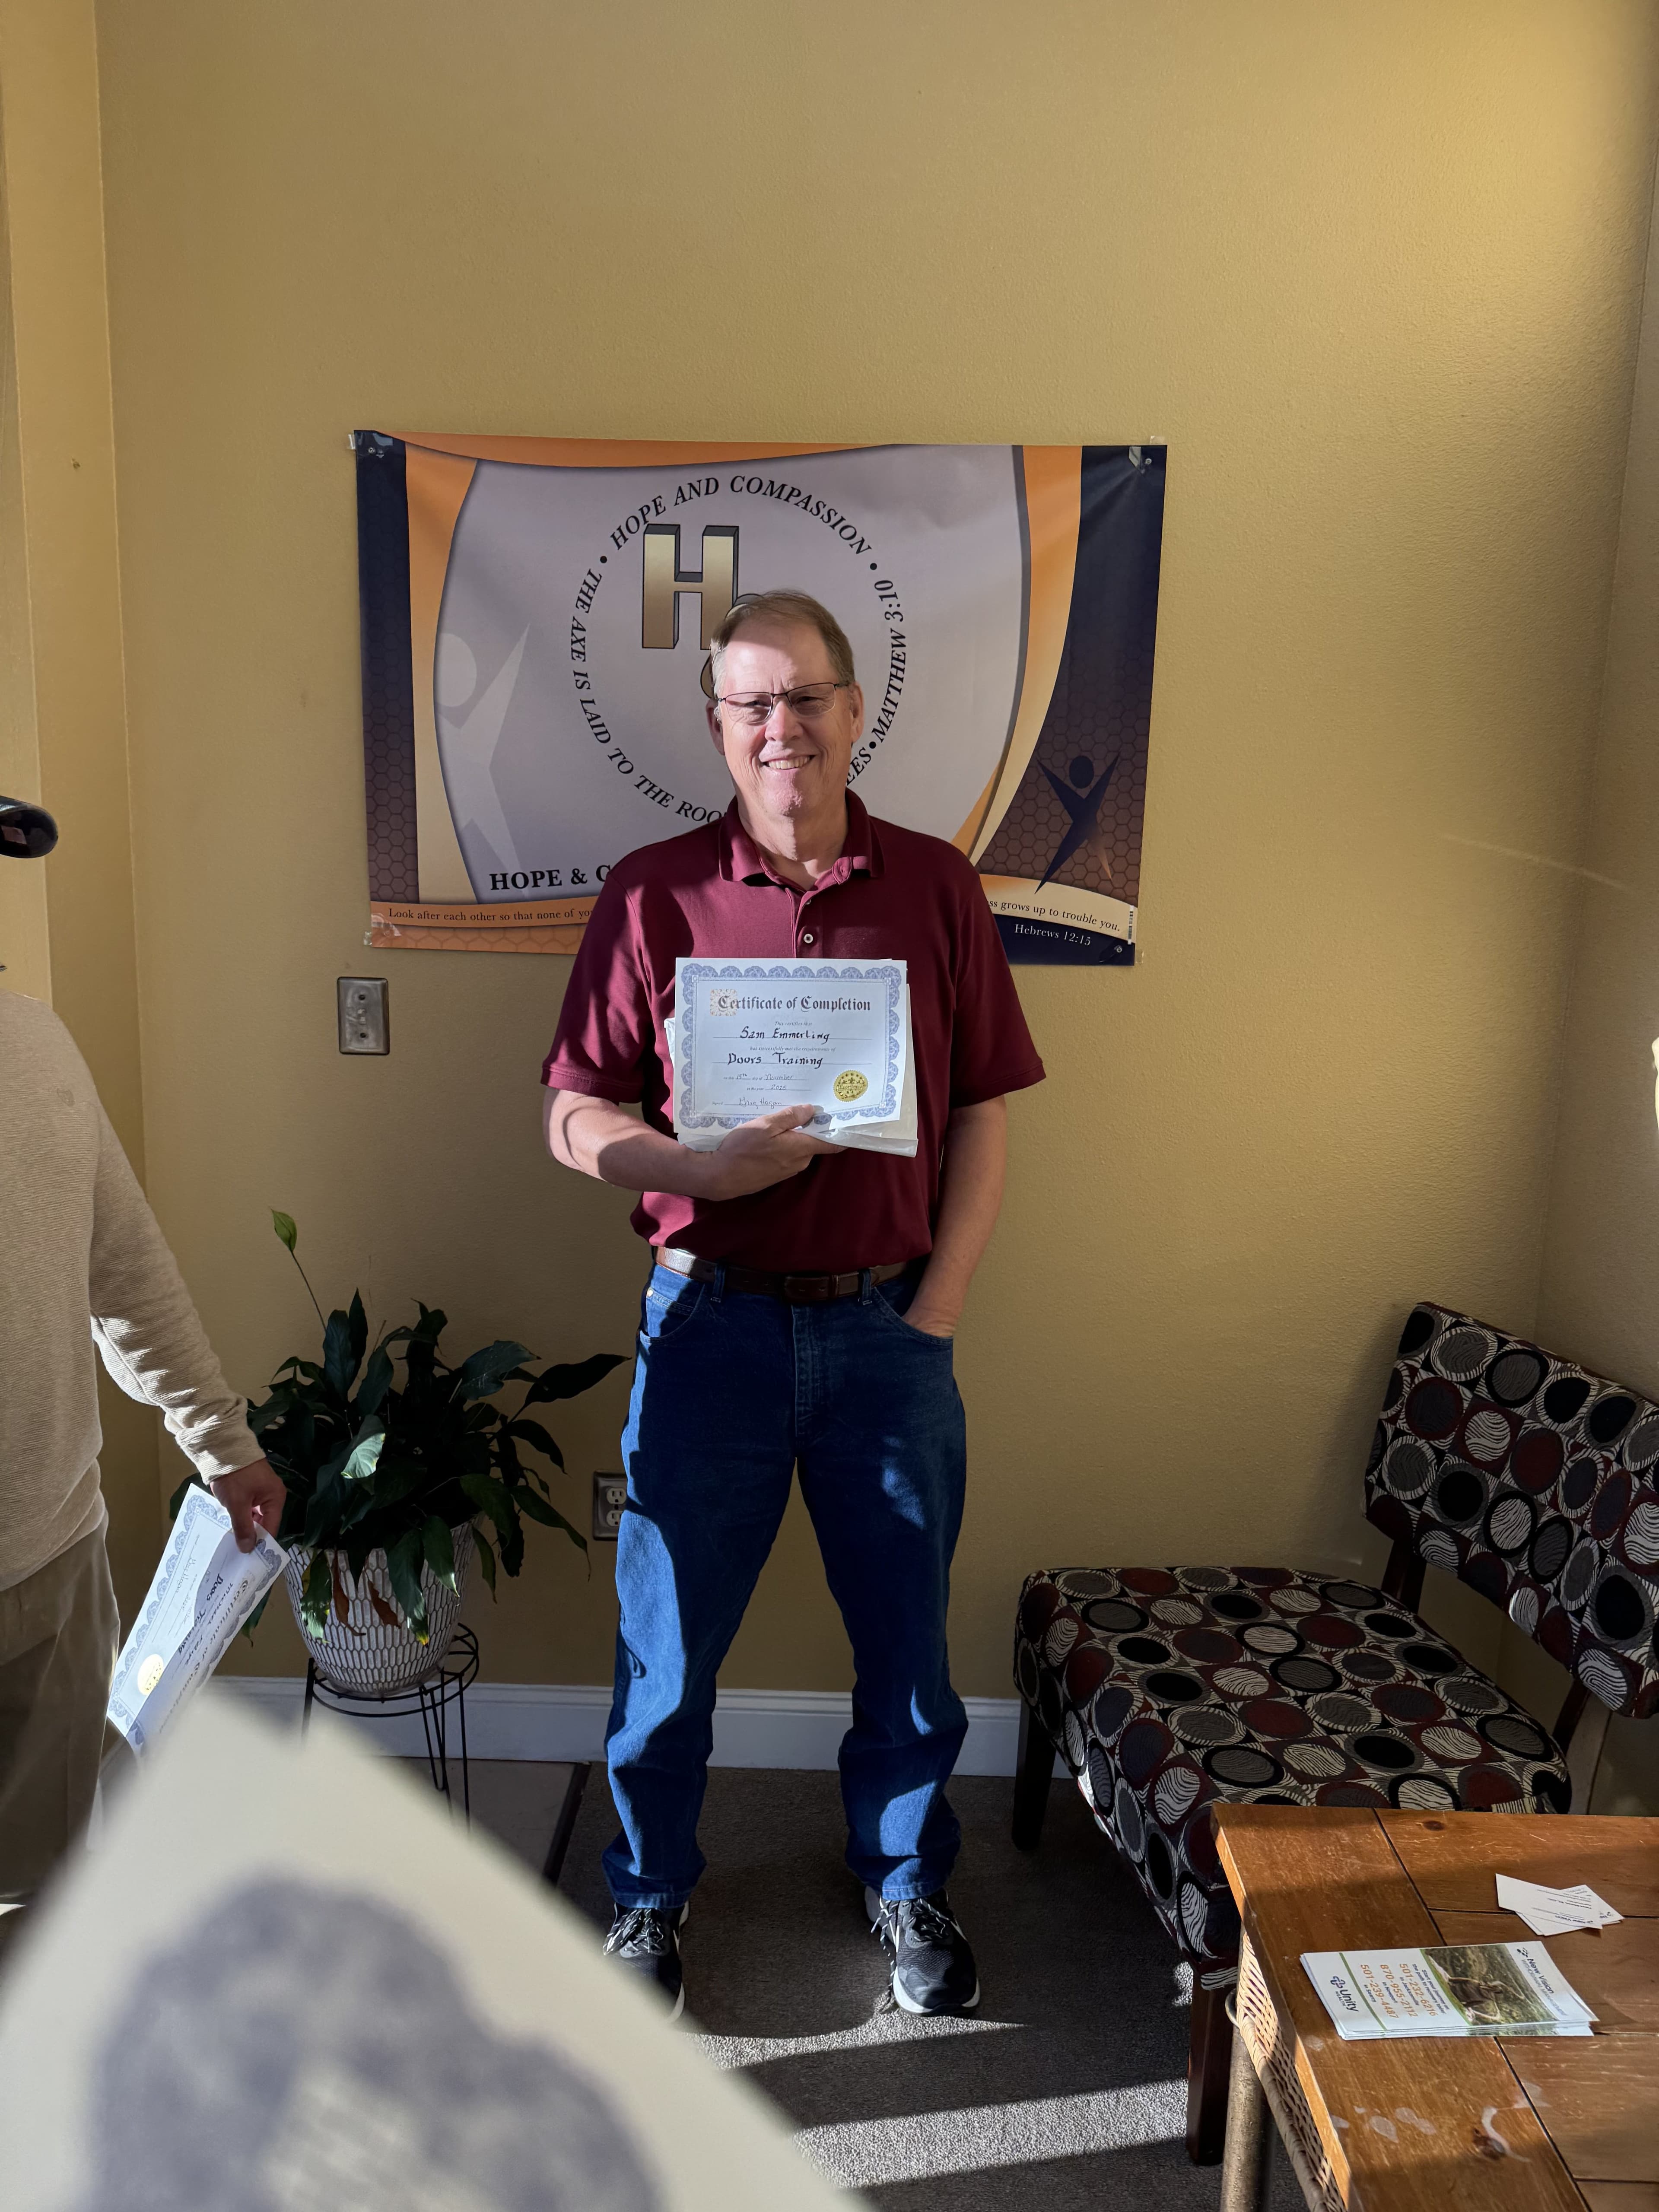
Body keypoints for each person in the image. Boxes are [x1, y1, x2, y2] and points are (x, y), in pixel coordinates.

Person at [541, 590, 1044, 2018]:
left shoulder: (936, 887)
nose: (783, 728)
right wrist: (690, 1167)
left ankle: (906, 1875)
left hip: (888, 1333)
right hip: (708, 1330)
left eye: (806, 697)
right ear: (718, 726)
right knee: (668, 1649)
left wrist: (938, 1308)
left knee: (907, 1643)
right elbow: (573, 1114)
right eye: (752, 704)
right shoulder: (652, 894)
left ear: (853, 709)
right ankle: (648, 1896)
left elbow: (987, 1107)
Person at [0, 979, 286, 1961]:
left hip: (55, 1568)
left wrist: (221, 1439)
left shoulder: (33, 1038)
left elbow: (122, 1266)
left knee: (40, 1910)